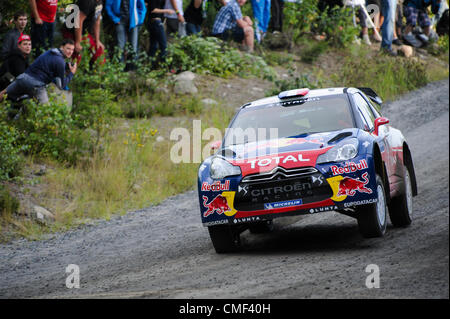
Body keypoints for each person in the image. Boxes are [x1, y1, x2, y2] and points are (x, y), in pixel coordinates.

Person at [0, 39, 77, 104]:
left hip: (23, 78)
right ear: (62, 47)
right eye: (68, 48)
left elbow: (48, 71)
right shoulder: (60, 61)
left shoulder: (50, 52)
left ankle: (14, 119)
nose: (70, 52)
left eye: (72, 49)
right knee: (46, 112)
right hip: (36, 85)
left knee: (3, 94)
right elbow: (61, 85)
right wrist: (71, 74)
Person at [61, 0, 105, 67]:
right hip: (71, 30)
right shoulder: (87, 2)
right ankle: (69, 73)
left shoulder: (100, 2)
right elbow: (78, 20)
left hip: (84, 32)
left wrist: (97, 40)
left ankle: (97, 73)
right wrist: (78, 42)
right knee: (74, 53)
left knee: (98, 50)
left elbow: (97, 21)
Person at [147, 0, 175, 65]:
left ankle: (150, 66)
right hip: (155, 21)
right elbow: (153, 10)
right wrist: (167, 11)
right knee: (163, 45)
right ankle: (164, 66)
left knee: (153, 46)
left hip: (155, 22)